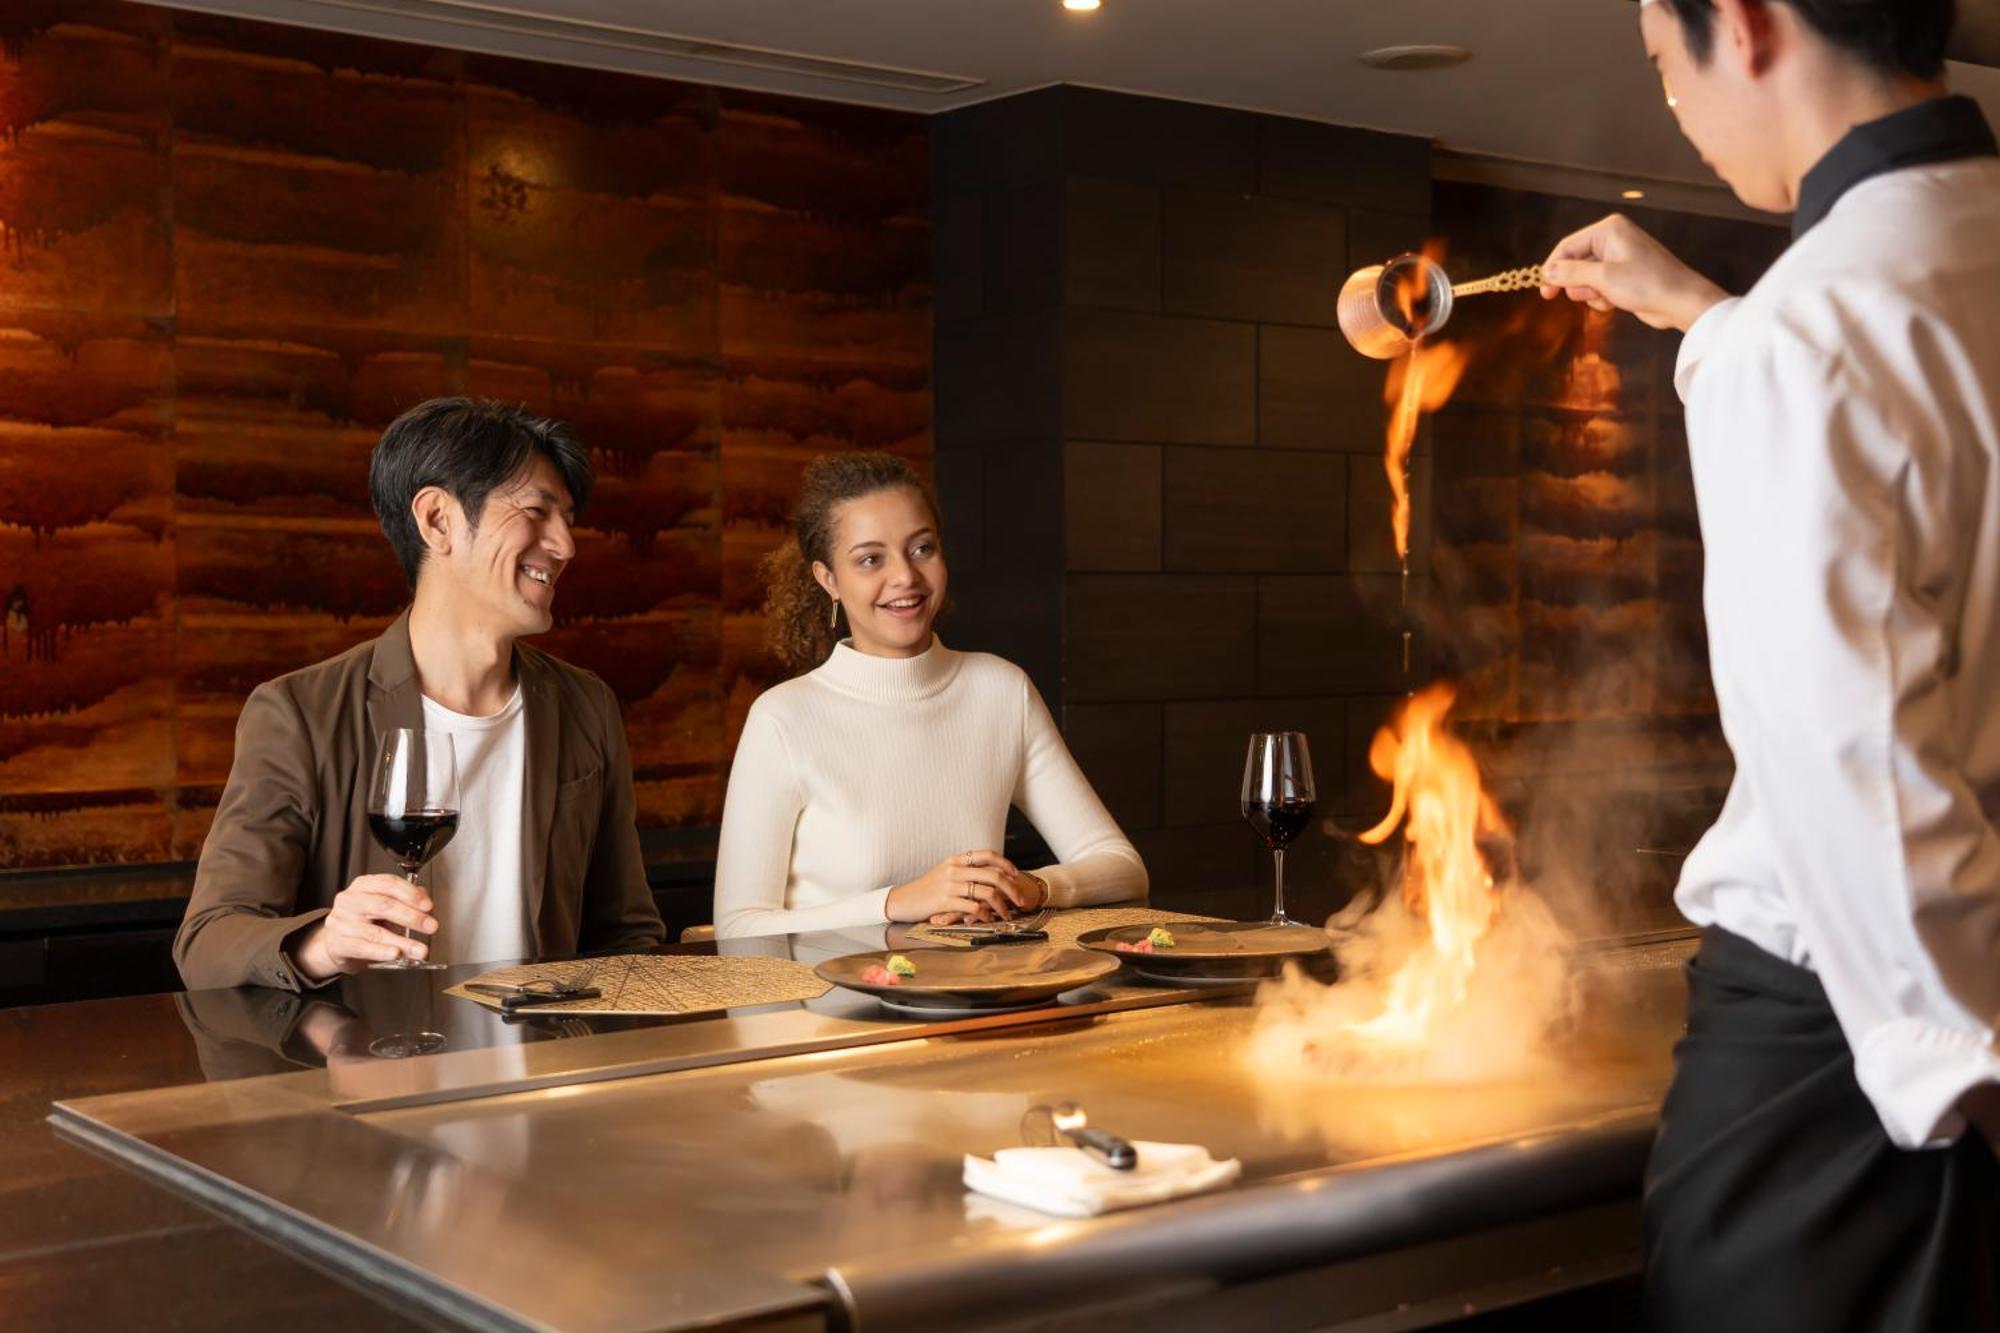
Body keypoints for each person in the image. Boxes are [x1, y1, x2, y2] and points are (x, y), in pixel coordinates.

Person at [1537, 1, 2000, 1326]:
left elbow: (1862, 787)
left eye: (1661, 66)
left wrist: (1967, 1076)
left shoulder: (1808, 334)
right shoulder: (1872, 293)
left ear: (1740, 24)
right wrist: (1707, 315)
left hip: (1841, 1079)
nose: (1674, 104)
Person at [175, 398, 664, 991]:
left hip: (542, 1074)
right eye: (537, 511)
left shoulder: (587, 706)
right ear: (437, 520)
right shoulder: (300, 713)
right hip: (374, 1072)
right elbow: (207, 941)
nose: (565, 544)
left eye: (566, 517)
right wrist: (324, 942)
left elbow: (627, 935)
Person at [713, 452, 1146, 937]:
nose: (905, 577)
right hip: (830, 1008)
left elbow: (1123, 868)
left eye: (922, 549)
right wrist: (899, 901)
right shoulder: (783, 718)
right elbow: (738, 926)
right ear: (828, 579)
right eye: (870, 559)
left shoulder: (1001, 690)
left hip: (977, 1000)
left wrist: (1033, 887)